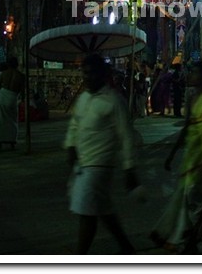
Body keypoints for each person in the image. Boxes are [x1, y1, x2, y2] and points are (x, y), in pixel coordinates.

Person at [64, 54, 138, 254]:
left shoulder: (114, 101)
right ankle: (126, 247)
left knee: (87, 213)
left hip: (100, 164)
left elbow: (126, 136)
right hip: (82, 162)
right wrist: (70, 146)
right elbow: (75, 125)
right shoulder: (83, 99)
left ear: (103, 74)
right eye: (85, 73)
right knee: (102, 210)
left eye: (92, 73)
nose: (87, 77)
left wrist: (129, 168)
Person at [150, 61, 202, 253]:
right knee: (185, 198)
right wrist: (173, 152)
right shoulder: (192, 97)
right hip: (191, 155)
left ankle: (191, 238)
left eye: (194, 73)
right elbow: (187, 127)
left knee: (194, 199)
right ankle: (186, 239)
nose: (190, 75)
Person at [0, 56, 24, 149]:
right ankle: (11, 142)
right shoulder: (21, 76)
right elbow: (23, 91)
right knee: (12, 121)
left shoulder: (4, 73)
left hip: (3, 96)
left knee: (0, 120)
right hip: (13, 97)